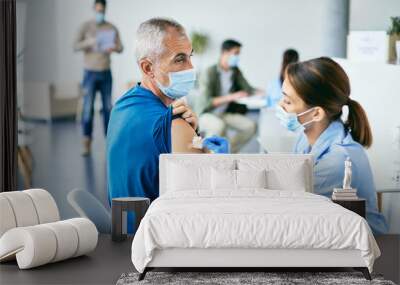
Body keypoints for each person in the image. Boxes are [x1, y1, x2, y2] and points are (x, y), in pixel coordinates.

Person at [106, 18, 227, 232]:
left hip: (125, 232)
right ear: (148, 67)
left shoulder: (122, 105)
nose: (191, 68)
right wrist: (214, 157)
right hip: (156, 245)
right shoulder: (174, 124)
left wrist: (194, 131)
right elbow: (209, 201)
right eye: (180, 60)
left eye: (190, 57)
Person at [275, 57, 388, 235]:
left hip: (363, 250)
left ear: (316, 113)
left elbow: (294, 206)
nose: (280, 105)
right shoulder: (305, 137)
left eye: (288, 102)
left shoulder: (338, 159)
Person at [74, 0, 123, 155]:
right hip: (89, 73)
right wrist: (89, 42)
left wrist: (114, 47)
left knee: (108, 108)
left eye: (102, 10)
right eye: (97, 10)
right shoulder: (85, 27)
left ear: (105, 10)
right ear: (94, 10)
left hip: (105, 72)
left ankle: (110, 143)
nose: (99, 13)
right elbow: (75, 46)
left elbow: (121, 47)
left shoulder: (111, 27)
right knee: (87, 109)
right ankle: (86, 143)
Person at [196, 39, 261, 153]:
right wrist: (232, 97)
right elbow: (207, 101)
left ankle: (229, 150)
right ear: (225, 53)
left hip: (225, 113)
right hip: (207, 113)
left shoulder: (235, 71)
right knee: (218, 126)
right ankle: (209, 156)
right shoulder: (209, 72)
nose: (237, 57)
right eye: (236, 54)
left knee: (251, 126)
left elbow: (247, 88)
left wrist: (260, 91)